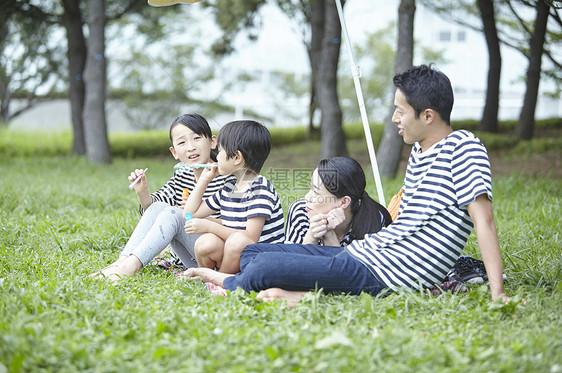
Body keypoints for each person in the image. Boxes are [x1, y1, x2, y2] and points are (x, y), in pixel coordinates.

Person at [185, 64, 511, 305]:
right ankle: (293, 294)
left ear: (427, 115)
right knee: (254, 251)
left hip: (392, 272)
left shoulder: (464, 148)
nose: (395, 118)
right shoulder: (419, 152)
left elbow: (484, 220)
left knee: (266, 264)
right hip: (368, 253)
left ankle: (226, 282)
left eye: (400, 111)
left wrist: (498, 294)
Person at [90, 113, 234, 280]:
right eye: (182, 142)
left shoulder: (228, 179)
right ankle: (122, 262)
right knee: (161, 208)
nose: (190, 147)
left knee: (173, 214)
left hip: (216, 256)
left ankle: (131, 266)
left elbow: (235, 226)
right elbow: (154, 209)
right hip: (191, 256)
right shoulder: (183, 176)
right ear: (174, 152)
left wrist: (197, 212)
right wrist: (142, 192)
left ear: (212, 142)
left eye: (196, 138)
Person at [180, 120, 285, 275]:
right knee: (205, 242)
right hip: (236, 257)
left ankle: (218, 279)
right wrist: (204, 180)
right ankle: (217, 276)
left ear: (236, 157)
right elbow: (189, 213)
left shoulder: (260, 189)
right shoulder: (229, 186)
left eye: (221, 150)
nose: (217, 156)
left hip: (262, 259)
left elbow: (249, 238)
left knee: (238, 241)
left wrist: (209, 226)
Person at [285, 156, 391, 247]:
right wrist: (311, 237)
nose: (307, 197)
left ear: (344, 202)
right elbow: (291, 267)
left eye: (316, 193)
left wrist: (329, 236)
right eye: (310, 188)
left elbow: (354, 270)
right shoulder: (301, 210)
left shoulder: (374, 221)